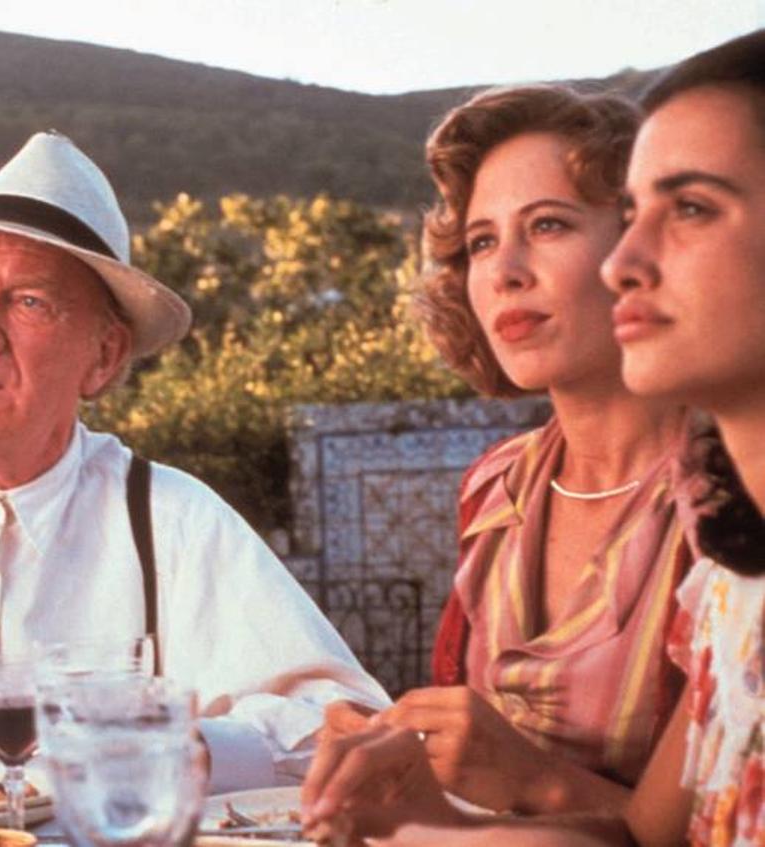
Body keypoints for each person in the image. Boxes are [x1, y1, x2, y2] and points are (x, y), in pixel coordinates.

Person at [303, 27, 765, 847]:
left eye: (548, 225)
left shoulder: (726, 518)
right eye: (480, 241)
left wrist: (527, 777)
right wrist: (409, 809)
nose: (505, 268)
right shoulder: (495, 490)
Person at [0, 131, 388, 793]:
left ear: (102, 356)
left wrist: (192, 749)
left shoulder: (169, 522)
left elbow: (351, 724)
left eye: (28, 302)